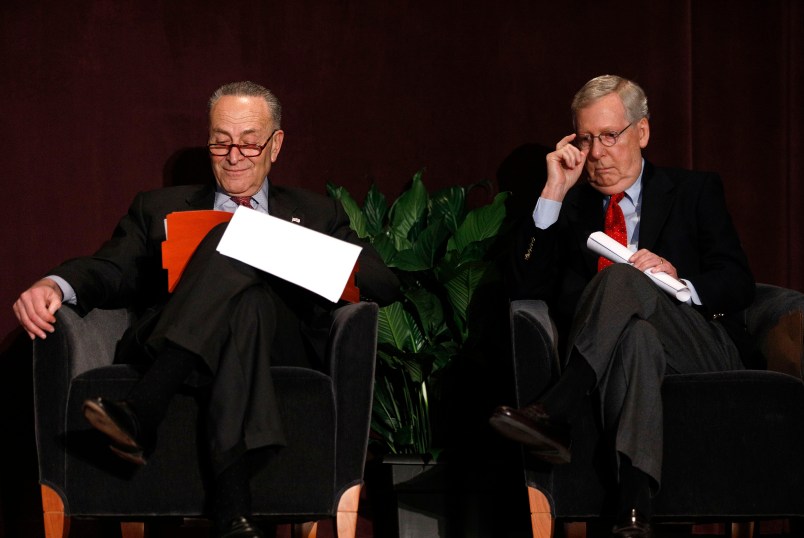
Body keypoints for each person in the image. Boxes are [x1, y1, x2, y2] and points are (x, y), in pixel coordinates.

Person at [13, 81, 400, 538]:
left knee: (236, 240)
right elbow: (110, 268)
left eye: (250, 142)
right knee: (245, 302)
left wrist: (271, 242)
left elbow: (384, 282)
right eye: (221, 141)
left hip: (279, 347)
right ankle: (234, 514)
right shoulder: (157, 208)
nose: (234, 154)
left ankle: (143, 408)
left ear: (275, 145)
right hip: (180, 335)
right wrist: (55, 283)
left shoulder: (316, 212)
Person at [489, 75, 755, 538]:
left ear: (642, 132)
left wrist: (677, 280)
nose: (596, 153)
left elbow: (737, 281)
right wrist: (553, 193)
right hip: (620, 355)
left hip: (697, 342)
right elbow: (523, 287)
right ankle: (634, 508)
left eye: (609, 136)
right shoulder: (569, 211)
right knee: (636, 338)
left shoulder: (693, 191)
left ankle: (557, 406)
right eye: (586, 138)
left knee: (627, 279)